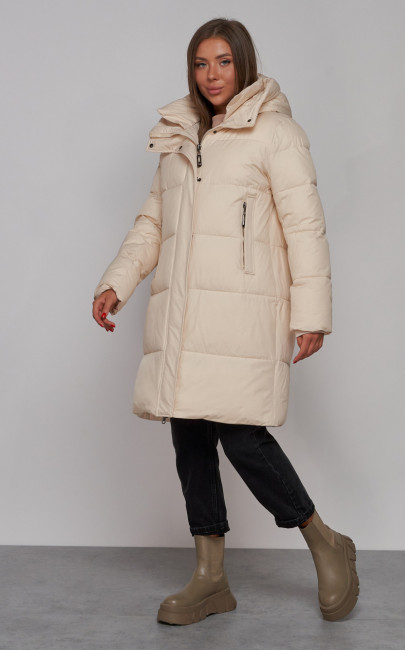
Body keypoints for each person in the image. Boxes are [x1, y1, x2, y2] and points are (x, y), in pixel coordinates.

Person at [92, 17, 359, 626]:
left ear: (243, 63)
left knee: (243, 437)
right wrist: (116, 282)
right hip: (183, 316)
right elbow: (153, 222)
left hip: (242, 313)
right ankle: (210, 576)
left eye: (223, 62)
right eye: (200, 63)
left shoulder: (277, 134)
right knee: (189, 437)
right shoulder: (179, 136)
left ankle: (325, 541)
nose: (211, 75)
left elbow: (305, 228)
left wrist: (312, 315)